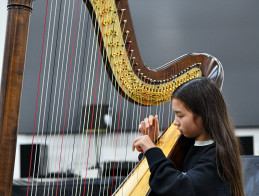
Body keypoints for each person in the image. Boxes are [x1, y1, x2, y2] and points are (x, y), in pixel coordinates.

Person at [132, 77, 244, 196]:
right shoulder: (185, 145)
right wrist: (153, 144)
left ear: (203, 115)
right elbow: (156, 185)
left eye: (180, 115)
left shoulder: (218, 157)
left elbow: (181, 188)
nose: (175, 122)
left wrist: (153, 151)